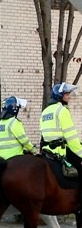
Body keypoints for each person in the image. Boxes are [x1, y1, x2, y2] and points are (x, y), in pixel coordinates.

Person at [40, 82, 82, 211]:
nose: (69, 96)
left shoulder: (45, 111)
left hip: (47, 152)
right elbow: (71, 137)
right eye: (67, 94)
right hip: (60, 152)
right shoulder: (62, 110)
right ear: (60, 95)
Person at [0, 96, 38, 160]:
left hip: (1, 157)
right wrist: (33, 150)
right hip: (14, 157)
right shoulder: (14, 122)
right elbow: (24, 140)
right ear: (14, 109)